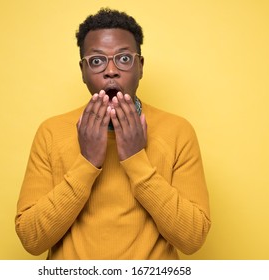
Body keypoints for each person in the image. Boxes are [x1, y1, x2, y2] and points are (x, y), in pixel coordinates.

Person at [15, 8, 211, 260]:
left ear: (140, 67)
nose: (111, 71)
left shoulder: (178, 131)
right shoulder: (51, 132)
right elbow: (31, 240)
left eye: (124, 59)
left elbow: (193, 238)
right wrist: (86, 163)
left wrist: (135, 158)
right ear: (83, 71)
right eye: (97, 61)